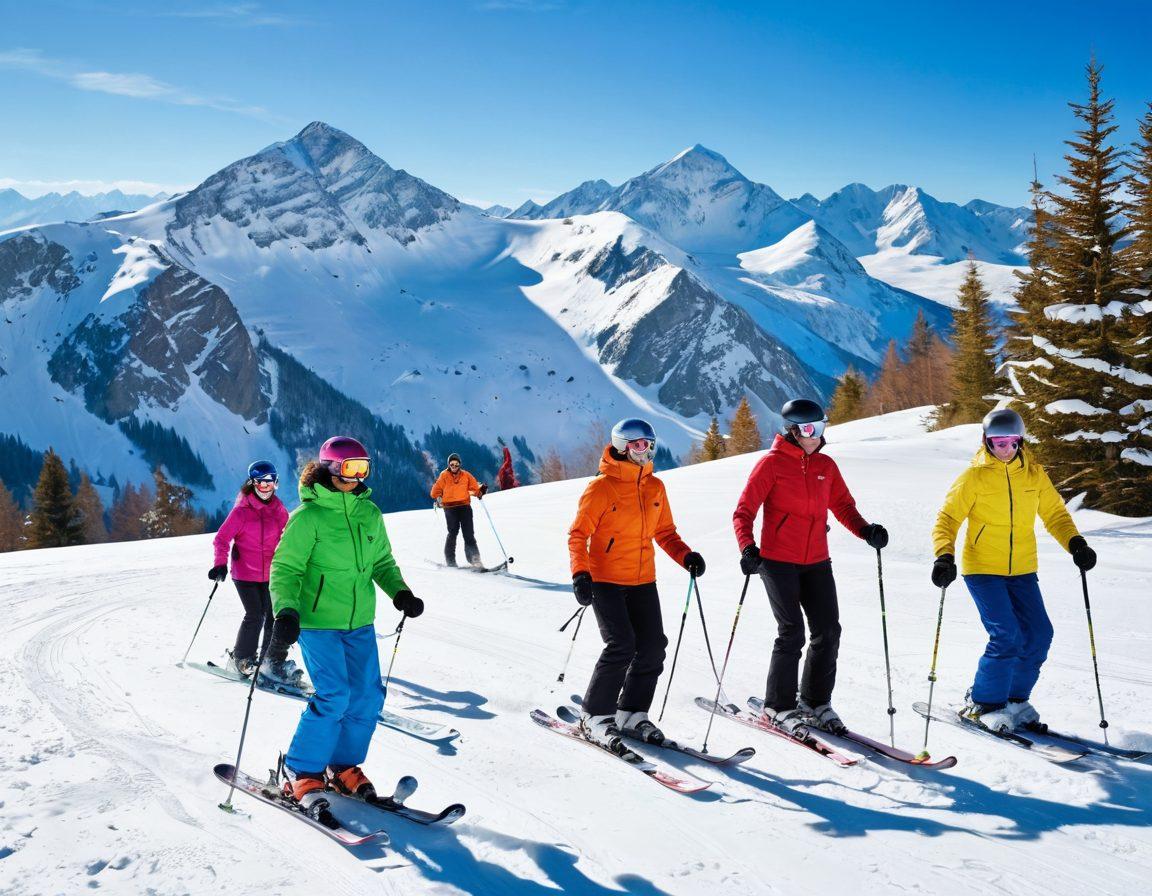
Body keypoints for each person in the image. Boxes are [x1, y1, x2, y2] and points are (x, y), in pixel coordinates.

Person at [268, 436, 425, 807]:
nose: (357, 476)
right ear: (331, 468)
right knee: (335, 695)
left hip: (360, 622)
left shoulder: (368, 514)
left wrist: (399, 592)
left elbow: (382, 562)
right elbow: (285, 568)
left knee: (369, 697)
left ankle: (342, 766)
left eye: (364, 468)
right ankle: (300, 770)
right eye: (350, 467)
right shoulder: (307, 518)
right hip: (319, 622)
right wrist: (286, 610)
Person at [931, 408, 1096, 733]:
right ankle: (984, 703)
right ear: (986, 441)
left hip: (1022, 568)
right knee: (1006, 634)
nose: (1003, 449)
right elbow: (948, 519)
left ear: (1020, 441)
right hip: (982, 569)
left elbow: (1055, 515)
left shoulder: (1034, 475)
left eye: (1010, 442)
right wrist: (944, 556)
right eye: (996, 442)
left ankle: (1015, 699)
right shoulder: (973, 477)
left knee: (1038, 634)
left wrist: (1075, 543)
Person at [733, 398, 887, 736]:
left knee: (828, 631)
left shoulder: (826, 466)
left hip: (817, 560)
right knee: (791, 633)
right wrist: (748, 547)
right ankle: (777, 706)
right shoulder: (771, 465)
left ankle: (815, 701)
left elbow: (843, 506)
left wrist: (865, 530)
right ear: (790, 431)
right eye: (807, 429)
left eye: (820, 427)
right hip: (776, 562)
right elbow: (744, 511)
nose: (815, 435)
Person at [568, 418, 705, 752]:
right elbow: (578, 534)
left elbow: (665, 533)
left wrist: (686, 556)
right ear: (622, 446)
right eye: (639, 444)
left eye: (649, 443)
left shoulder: (655, 488)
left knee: (653, 646)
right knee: (621, 645)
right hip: (606, 580)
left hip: (643, 579)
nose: (646, 450)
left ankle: (630, 713)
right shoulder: (601, 488)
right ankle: (595, 716)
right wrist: (580, 574)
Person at [209, 460, 290, 677]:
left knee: (273, 616)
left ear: (276, 483)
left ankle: (268, 662)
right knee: (255, 614)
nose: (265, 487)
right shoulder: (241, 513)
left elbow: (290, 539)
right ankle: (242, 659)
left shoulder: (279, 510)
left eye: (270, 483)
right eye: (260, 483)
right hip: (245, 574)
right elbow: (221, 539)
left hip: (271, 574)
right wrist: (219, 564)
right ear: (252, 483)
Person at [430, 452, 488, 567]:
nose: (454, 467)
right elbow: (433, 493)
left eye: (456, 464)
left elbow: (475, 488)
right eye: (452, 464)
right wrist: (440, 496)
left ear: (460, 464)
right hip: (450, 508)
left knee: (469, 534)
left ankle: (474, 559)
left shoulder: (466, 475)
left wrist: (480, 491)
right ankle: (450, 560)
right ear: (449, 465)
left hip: (464, 507)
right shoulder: (443, 476)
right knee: (453, 532)